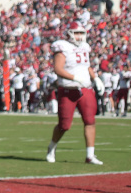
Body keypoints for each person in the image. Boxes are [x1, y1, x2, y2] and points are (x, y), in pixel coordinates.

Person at [46, 21, 104, 165]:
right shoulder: (62, 47)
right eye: (76, 33)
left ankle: (90, 155)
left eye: (81, 33)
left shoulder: (85, 47)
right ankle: (52, 147)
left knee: (90, 121)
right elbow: (58, 69)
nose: (79, 36)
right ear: (70, 34)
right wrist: (75, 78)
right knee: (64, 125)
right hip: (68, 90)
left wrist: (96, 78)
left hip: (85, 89)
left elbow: (86, 66)